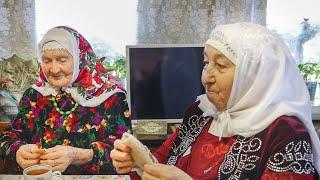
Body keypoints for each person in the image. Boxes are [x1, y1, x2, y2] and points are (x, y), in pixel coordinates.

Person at [110, 22, 320, 179]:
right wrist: (139, 163)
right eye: (206, 63)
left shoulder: (286, 132)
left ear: (256, 74)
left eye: (220, 66)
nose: (206, 78)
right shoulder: (201, 112)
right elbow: (163, 162)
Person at [0, 26, 131, 174]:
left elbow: (126, 154)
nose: (54, 69)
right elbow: (8, 138)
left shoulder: (111, 96)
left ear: (79, 58)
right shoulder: (34, 95)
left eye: (62, 60)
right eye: (47, 60)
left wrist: (79, 156)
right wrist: (17, 151)